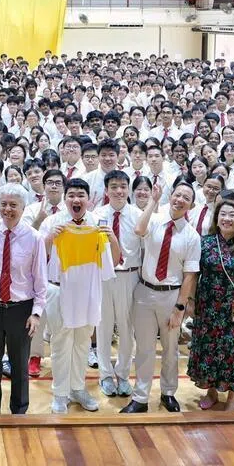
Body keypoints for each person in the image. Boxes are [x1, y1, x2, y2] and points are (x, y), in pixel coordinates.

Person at [39, 178, 120, 413]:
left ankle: (77, 388)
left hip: (88, 290)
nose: (76, 199)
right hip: (58, 289)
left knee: (83, 342)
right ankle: (60, 393)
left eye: (80, 195)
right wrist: (49, 238)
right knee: (61, 343)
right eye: (71, 195)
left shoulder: (97, 223)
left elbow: (112, 262)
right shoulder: (53, 223)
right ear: (65, 199)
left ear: (88, 199)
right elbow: (37, 258)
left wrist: (112, 238)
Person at [123, 182, 200, 413]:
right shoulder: (155, 219)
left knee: (170, 349)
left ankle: (168, 392)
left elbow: (190, 276)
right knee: (144, 348)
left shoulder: (191, 236)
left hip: (171, 296)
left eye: (186, 197)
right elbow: (138, 229)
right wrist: (153, 201)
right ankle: (140, 397)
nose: (180, 200)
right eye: (177, 195)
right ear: (171, 196)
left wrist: (180, 307)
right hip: (145, 292)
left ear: (191, 205)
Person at [0, 183, 47, 414]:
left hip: (21, 310)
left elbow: (40, 280)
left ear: (24, 207)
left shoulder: (35, 238)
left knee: (19, 365)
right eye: (3, 204)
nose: (7, 209)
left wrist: (36, 313)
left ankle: (19, 410)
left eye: (13, 205)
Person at [188, 198, 234, 411]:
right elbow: (195, 274)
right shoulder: (205, 242)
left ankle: (233, 396)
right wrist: (190, 300)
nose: (227, 218)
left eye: (232, 215)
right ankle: (211, 391)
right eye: (223, 214)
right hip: (207, 303)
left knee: (233, 349)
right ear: (216, 218)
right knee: (208, 348)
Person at [92, 170, 141, 397]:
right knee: (103, 328)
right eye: (114, 187)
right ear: (106, 190)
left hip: (129, 276)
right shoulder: (96, 215)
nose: (119, 191)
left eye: (123, 186)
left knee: (126, 328)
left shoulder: (138, 215)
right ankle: (104, 375)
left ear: (128, 189)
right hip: (103, 276)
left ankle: (122, 374)